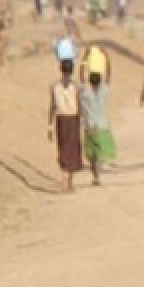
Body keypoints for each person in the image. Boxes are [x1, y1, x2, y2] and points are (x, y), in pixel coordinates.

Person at [47, 59, 83, 193]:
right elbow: (80, 105)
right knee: (72, 150)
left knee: (64, 148)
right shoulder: (76, 86)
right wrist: (83, 122)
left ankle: (67, 182)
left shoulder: (54, 86)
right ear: (72, 70)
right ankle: (66, 181)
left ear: (61, 69)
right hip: (72, 119)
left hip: (61, 119)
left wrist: (50, 125)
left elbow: (52, 106)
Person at [80, 70, 117, 186]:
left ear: (89, 81)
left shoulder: (85, 94)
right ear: (100, 82)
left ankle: (95, 176)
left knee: (91, 154)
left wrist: (83, 66)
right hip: (103, 126)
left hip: (90, 126)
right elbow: (109, 78)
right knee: (101, 153)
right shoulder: (104, 91)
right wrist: (107, 62)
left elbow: (81, 80)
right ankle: (97, 173)